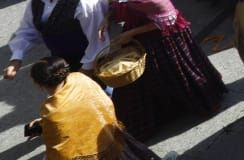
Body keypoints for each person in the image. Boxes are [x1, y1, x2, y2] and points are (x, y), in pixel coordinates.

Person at [105, 0, 225, 138]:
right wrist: (106, 19)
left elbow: (166, 21)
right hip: (138, 33)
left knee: (175, 73)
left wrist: (131, 33)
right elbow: (118, 5)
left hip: (163, 37)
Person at [28, 56, 161, 160]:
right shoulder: (80, 78)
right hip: (110, 139)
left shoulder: (51, 110)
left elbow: (58, 148)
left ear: (38, 84)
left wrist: (43, 126)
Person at [5, 0, 108, 76]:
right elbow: (28, 29)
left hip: (89, 63)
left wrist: (84, 73)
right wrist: (16, 59)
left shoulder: (86, 1)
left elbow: (97, 42)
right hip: (61, 62)